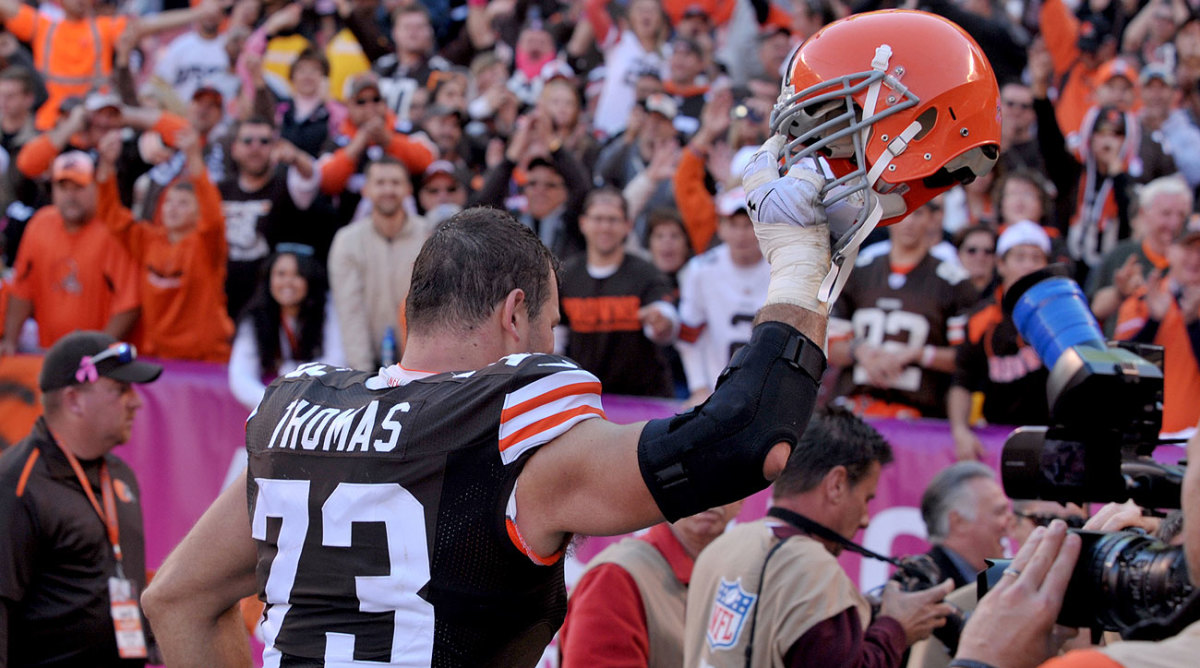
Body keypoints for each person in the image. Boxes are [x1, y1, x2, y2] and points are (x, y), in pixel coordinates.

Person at [142, 159, 831, 665]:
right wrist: (804, 265)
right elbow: (747, 440)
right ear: (515, 314)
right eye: (551, 323)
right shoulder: (510, 420)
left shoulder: (299, 412)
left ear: (410, 314)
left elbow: (173, 599)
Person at [684, 407, 955, 667]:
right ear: (836, 484)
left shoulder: (721, 548)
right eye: (866, 499)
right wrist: (896, 628)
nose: (865, 519)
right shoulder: (810, 567)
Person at [948, 426, 1200, 668]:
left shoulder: (1105, 662)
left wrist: (980, 661)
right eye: (1047, 521)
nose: (1065, 533)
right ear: (1012, 524)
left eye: (1076, 523)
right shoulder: (966, 602)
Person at [0, 330, 162, 666]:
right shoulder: (17, 485)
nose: (136, 401)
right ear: (74, 399)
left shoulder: (119, 474)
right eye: (121, 390)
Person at [827, 201, 978, 419]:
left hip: (918, 416)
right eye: (902, 214)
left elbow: (965, 358)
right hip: (852, 410)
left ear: (933, 219)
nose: (909, 222)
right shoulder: (859, 271)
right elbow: (829, 346)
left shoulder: (953, 282)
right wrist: (860, 352)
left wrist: (918, 354)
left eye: (917, 213)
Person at [96, 127, 234, 363]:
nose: (172, 208)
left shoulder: (206, 244)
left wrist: (193, 157)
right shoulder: (148, 239)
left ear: (198, 211)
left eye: (183, 203)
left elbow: (213, 218)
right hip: (159, 358)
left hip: (205, 359)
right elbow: (111, 215)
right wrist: (106, 164)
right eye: (168, 201)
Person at [558, 502, 743, 667]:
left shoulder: (739, 576)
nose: (709, 489)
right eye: (696, 468)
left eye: (729, 471)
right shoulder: (615, 579)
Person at [0, 151, 141, 354]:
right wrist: (11, 341)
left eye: (79, 187)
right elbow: (22, 289)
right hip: (48, 353)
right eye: (63, 187)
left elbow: (129, 304)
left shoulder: (115, 228)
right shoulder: (40, 224)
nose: (70, 195)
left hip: (100, 359)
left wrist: (99, 353)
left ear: (96, 187)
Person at [558, 188, 678, 398]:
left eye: (613, 220)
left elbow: (665, 314)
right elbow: (556, 337)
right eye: (598, 219)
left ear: (627, 226)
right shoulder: (566, 276)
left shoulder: (646, 273)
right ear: (583, 223)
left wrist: (662, 321)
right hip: (586, 399)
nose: (605, 227)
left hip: (643, 399)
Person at [948, 221, 1052, 460]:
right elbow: (962, 381)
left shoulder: (1061, 312)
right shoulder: (980, 318)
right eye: (1020, 257)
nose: (1028, 265)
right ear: (1001, 264)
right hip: (996, 442)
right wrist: (960, 431)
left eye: (1036, 258)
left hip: (1050, 439)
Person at [327, 157, 431, 371]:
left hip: (422, 367)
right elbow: (349, 310)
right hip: (368, 365)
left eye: (395, 183)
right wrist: (364, 376)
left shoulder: (429, 236)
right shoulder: (347, 241)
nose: (388, 190)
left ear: (408, 189)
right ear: (366, 190)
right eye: (380, 183)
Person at [677, 188, 770, 403]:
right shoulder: (701, 269)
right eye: (733, 225)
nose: (741, 234)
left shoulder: (781, 267)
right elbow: (689, 335)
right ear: (720, 228)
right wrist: (698, 387)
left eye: (748, 225)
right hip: (715, 390)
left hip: (767, 391)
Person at [228, 248, 345, 411]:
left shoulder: (329, 309)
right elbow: (240, 376)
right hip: (273, 410)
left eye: (297, 274)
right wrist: (273, 405)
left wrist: (292, 370)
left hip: (322, 406)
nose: (288, 282)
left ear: (310, 279)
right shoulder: (255, 317)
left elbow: (338, 362)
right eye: (281, 274)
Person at [1114, 216, 1200, 433]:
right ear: (1169, 251)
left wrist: (1192, 325)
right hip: (1149, 445)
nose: (1196, 257)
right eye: (1188, 247)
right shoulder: (1142, 301)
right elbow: (1122, 373)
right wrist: (1153, 322)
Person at [919, 462, 1013, 589]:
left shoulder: (999, 581)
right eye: (1000, 512)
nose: (1011, 522)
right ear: (959, 522)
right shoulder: (921, 589)